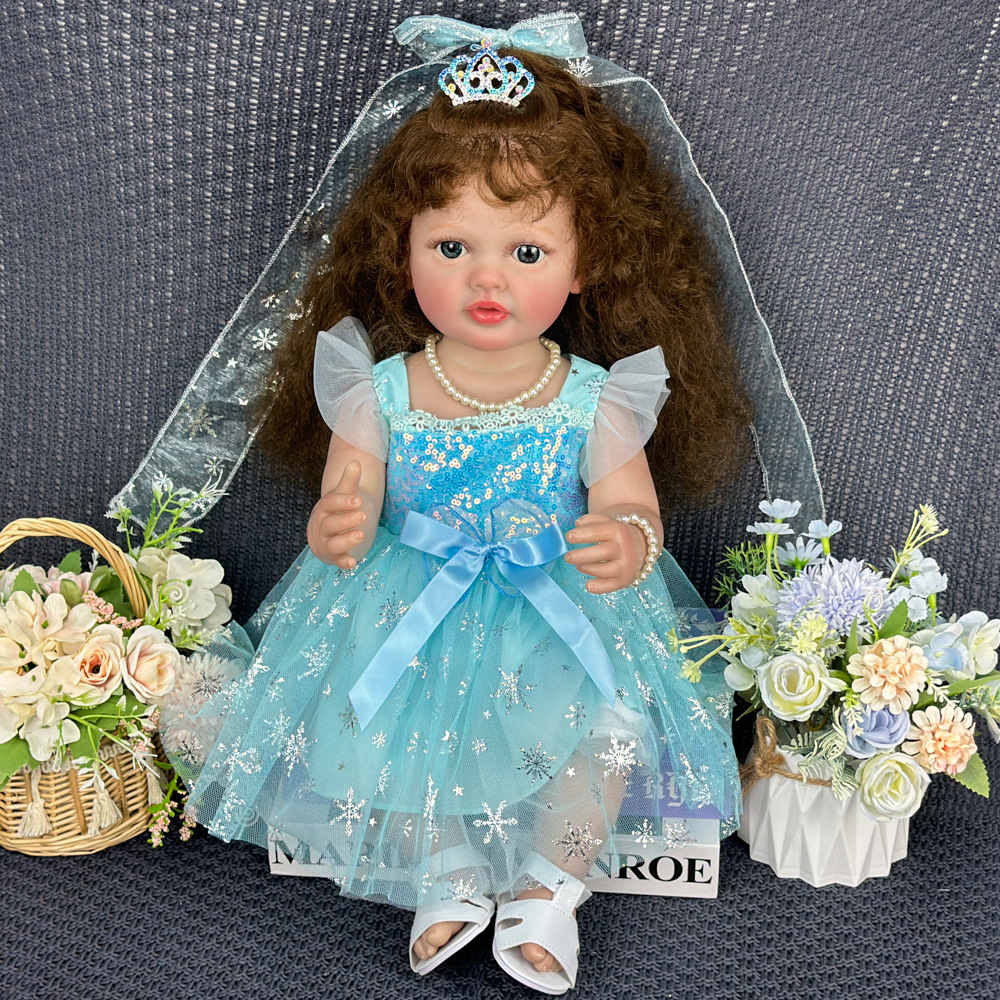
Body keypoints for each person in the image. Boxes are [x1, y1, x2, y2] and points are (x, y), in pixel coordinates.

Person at [167, 27, 752, 997]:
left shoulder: (596, 397)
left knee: (605, 725)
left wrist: (626, 539)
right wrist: (337, 523)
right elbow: (348, 493)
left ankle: (550, 885)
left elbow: (631, 505)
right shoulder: (380, 388)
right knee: (391, 719)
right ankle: (443, 868)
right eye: (451, 246)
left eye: (526, 250)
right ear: (402, 250)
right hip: (407, 596)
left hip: (554, 603)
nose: (488, 278)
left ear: (585, 262)